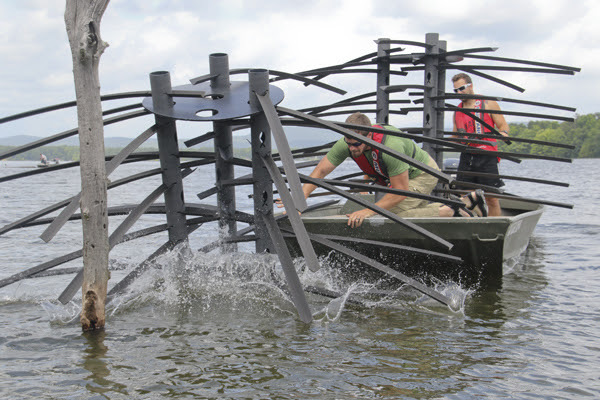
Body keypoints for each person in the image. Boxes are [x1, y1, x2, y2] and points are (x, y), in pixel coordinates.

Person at [289, 112, 488, 228]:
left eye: (356, 144)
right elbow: (321, 171)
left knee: (391, 216)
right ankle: (467, 201)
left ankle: (451, 210)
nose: (352, 148)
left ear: (368, 137)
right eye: (348, 143)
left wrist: (367, 212)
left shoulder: (390, 147)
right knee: (395, 209)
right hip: (402, 177)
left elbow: (400, 191)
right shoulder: (348, 141)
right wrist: (300, 201)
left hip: (423, 173)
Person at [451, 73, 510, 217]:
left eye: (461, 88)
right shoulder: (457, 111)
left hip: (487, 156)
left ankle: (493, 229)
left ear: (470, 86)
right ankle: (478, 213)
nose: (459, 92)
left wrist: (502, 135)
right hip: (467, 156)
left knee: (492, 198)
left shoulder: (488, 103)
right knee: (462, 197)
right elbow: (455, 136)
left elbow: (503, 127)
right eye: (456, 90)